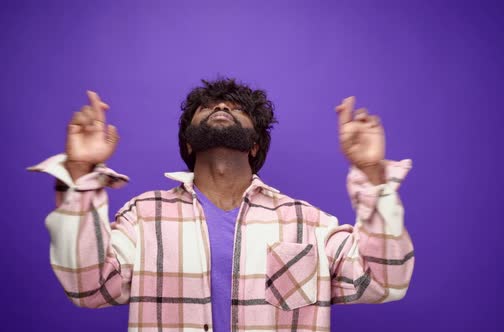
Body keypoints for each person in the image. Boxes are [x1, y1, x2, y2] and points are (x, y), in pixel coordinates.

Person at [28, 78, 414, 332]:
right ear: (190, 143)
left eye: (237, 108)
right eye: (208, 106)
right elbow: (86, 287)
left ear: (255, 145)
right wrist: (80, 169)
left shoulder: (308, 223)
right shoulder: (144, 217)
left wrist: (373, 174)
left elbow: (383, 282)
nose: (221, 107)